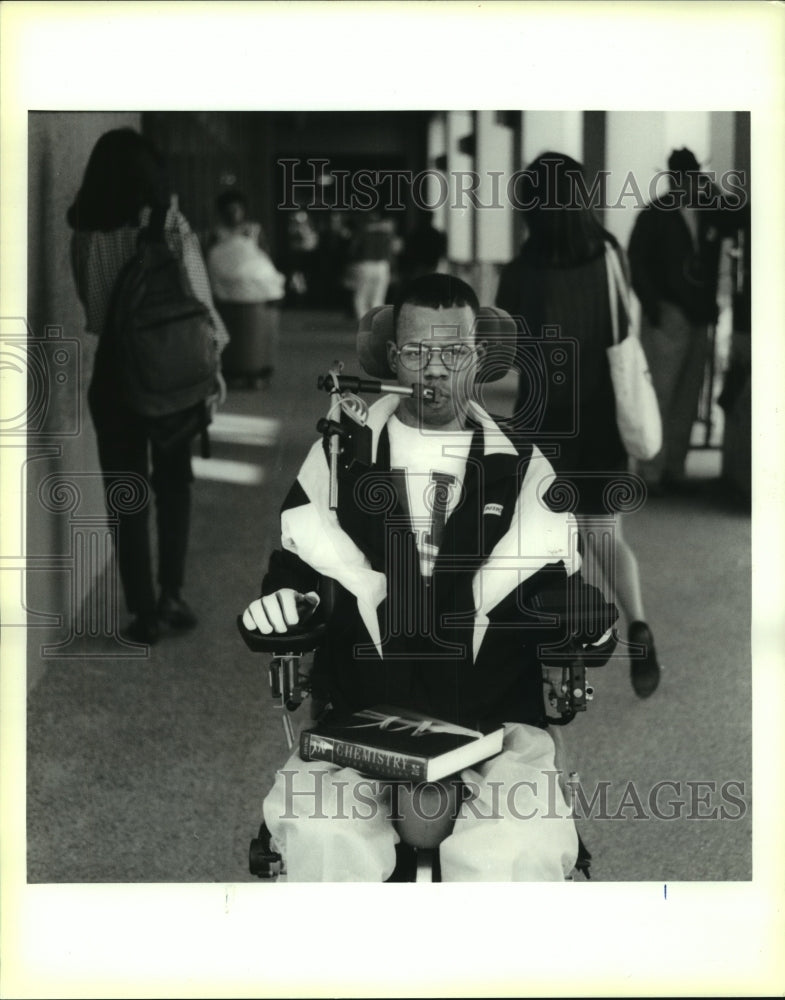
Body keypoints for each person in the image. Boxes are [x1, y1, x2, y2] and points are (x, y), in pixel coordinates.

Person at [240, 272, 618, 882]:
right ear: (393, 356)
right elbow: (299, 570)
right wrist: (284, 601)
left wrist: (586, 623)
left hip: (493, 728)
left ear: (479, 358)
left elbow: (549, 581)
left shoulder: (523, 467)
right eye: (417, 351)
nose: (435, 370)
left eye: (454, 353)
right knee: (321, 838)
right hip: (362, 725)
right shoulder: (341, 457)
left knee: (514, 853)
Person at [495, 151, 661, 699]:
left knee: (559, 539)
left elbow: (505, 354)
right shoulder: (609, 254)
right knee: (605, 535)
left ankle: (574, 647)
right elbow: (625, 321)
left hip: (546, 425)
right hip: (605, 417)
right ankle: (637, 624)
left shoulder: (522, 272)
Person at [68, 127, 229, 645]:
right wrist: (213, 372)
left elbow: (96, 317)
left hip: (115, 377)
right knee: (174, 485)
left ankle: (143, 613)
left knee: (126, 496)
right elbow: (201, 309)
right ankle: (172, 594)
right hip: (171, 379)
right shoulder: (172, 226)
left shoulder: (87, 235)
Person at [627, 147, 726, 493]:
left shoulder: (706, 210)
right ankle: (652, 469)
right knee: (661, 392)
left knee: (687, 392)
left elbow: (736, 215)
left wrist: (712, 193)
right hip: (668, 312)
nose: (689, 182)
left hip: (696, 312)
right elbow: (635, 263)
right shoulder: (656, 214)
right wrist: (653, 306)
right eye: (685, 176)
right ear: (673, 177)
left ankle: (674, 467)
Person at [206, 190, 285, 305]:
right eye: (228, 211)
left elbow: (264, 250)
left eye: (236, 210)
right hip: (225, 266)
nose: (233, 214)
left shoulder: (252, 228)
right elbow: (211, 253)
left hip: (250, 265)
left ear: (243, 210)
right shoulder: (218, 231)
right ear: (222, 213)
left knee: (259, 277)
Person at [344, 209, 396, 320]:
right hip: (382, 265)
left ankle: (364, 322)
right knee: (378, 297)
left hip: (365, 264)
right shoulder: (386, 232)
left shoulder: (361, 230)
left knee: (361, 296)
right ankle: (375, 322)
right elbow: (391, 251)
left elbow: (352, 249)